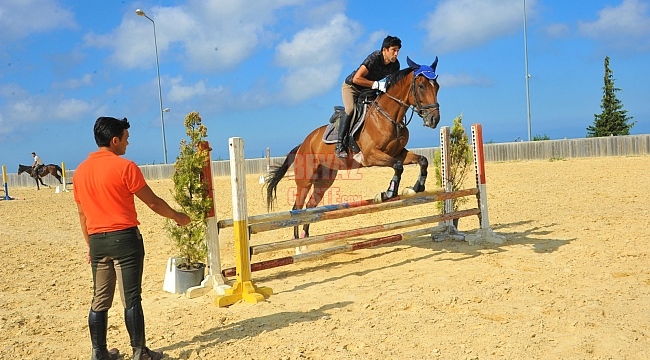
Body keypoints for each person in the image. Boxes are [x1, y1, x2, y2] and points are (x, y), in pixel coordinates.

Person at [74, 116, 191, 360]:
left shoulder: (80, 171)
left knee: (100, 299)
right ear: (114, 140)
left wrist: (90, 245)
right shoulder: (125, 167)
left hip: (97, 241)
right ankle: (140, 352)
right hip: (125, 240)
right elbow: (153, 202)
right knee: (131, 298)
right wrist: (177, 216)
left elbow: (83, 215)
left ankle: (99, 353)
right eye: (126, 139)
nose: (128, 143)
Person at [337, 35, 402, 158]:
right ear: (385, 50)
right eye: (393, 50)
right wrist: (376, 84)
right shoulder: (374, 58)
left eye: (398, 51)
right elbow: (357, 78)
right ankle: (340, 144)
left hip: (368, 91)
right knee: (350, 109)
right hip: (352, 87)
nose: (396, 54)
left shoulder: (395, 66)